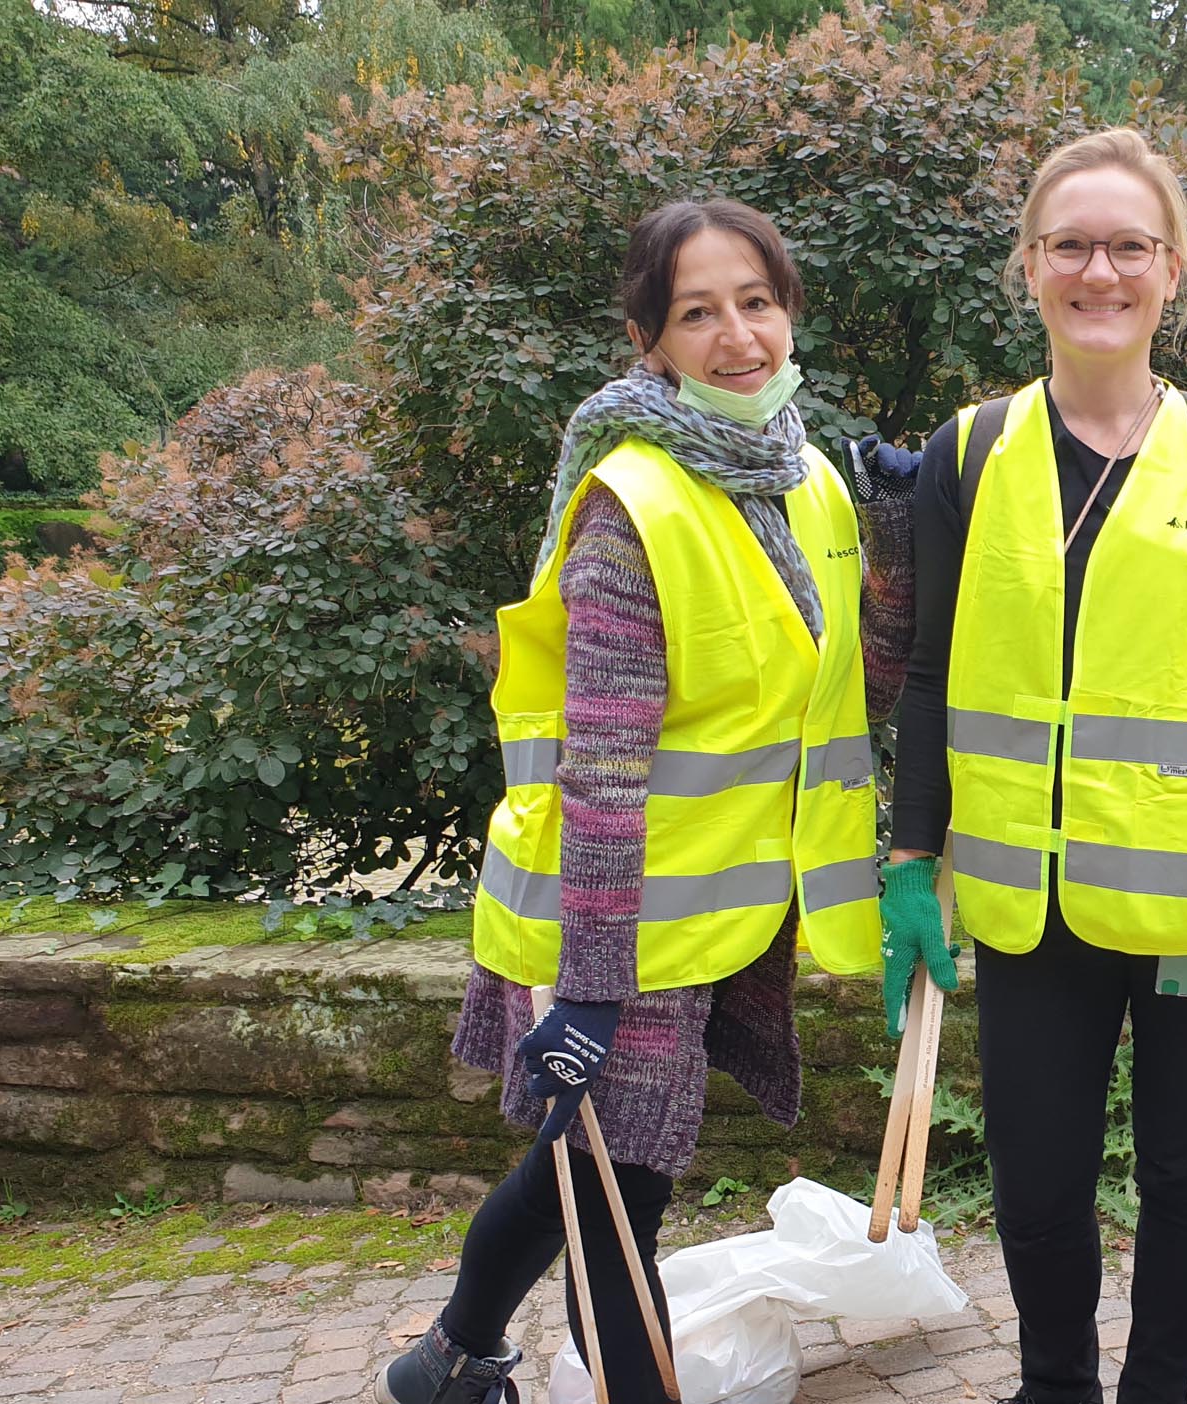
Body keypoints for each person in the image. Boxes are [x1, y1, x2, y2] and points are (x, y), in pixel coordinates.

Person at [880, 127, 1187, 1404]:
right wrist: (909, 855)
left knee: (1182, 1173)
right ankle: (1058, 1388)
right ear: (1031, 267)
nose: (1100, 272)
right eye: (1072, 246)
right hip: (1031, 900)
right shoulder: (969, 453)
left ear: (1172, 273)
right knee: (1037, 1180)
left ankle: (1155, 1388)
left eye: (1129, 247)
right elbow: (932, 672)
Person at [377, 198, 894, 1404]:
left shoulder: (806, 478)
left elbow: (849, 677)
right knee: (619, 1195)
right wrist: (592, 990)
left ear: (789, 311)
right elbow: (600, 771)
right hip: (611, 919)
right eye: (695, 313)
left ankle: (450, 1357)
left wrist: (905, 548)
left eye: (756, 303)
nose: (737, 338)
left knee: (597, 1165)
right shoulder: (631, 504)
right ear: (647, 340)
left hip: (717, 905)